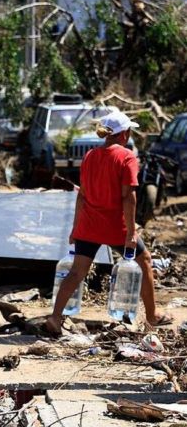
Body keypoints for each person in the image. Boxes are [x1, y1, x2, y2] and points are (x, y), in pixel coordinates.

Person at [47, 111, 172, 335]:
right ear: (125, 134)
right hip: (116, 227)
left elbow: (82, 195)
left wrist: (76, 228)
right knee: (144, 260)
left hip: (89, 226)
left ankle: (55, 318)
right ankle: (152, 316)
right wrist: (132, 232)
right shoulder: (127, 157)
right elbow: (129, 197)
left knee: (76, 272)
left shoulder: (90, 156)